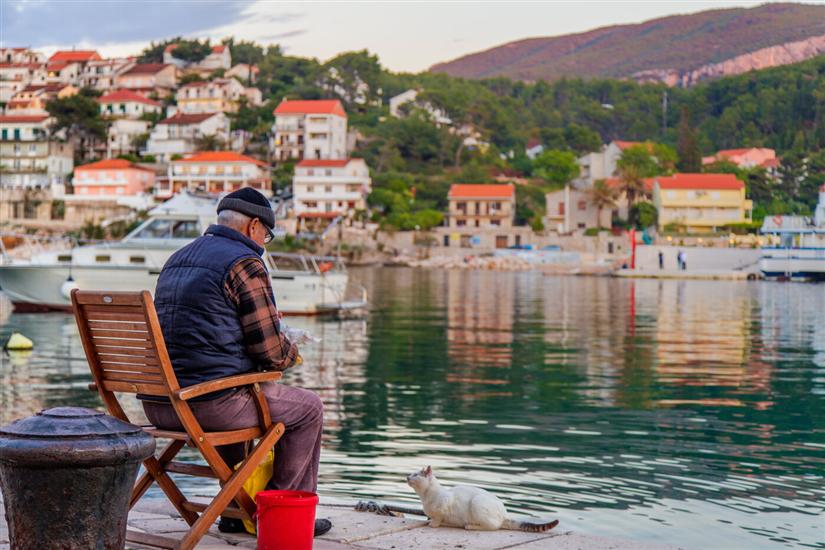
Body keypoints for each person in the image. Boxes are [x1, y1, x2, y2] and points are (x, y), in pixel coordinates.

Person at [140, 188, 331, 537]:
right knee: (309, 409)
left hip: (158, 404)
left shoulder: (177, 259)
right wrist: (287, 344)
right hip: (207, 407)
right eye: (267, 235)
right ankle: (279, 513)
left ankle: (235, 510)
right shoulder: (245, 263)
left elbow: (203, 335)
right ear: (254, 226)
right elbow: (271, 352)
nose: (264, 242)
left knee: (241, 387)